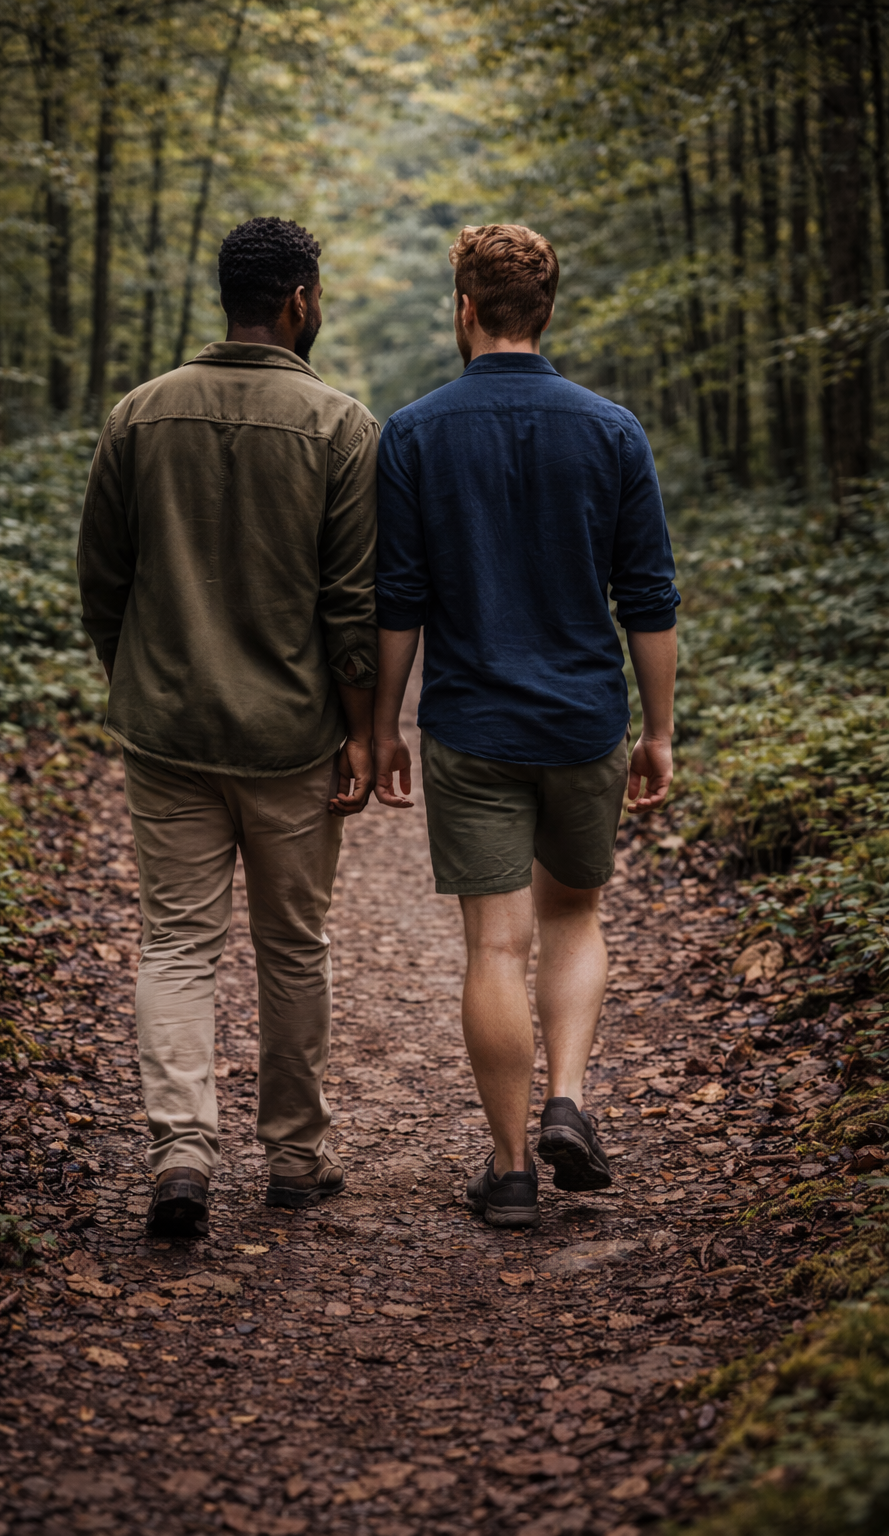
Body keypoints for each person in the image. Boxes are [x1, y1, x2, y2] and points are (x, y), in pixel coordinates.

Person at [373, 223, 678, 1228]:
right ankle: (568, 1102)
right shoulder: (612, 430)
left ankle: (509, 1173)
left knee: (495, 947)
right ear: (546, 311)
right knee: (573, 916)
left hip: (471, 725)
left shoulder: (413, 433)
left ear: (464, 308)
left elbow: (399, 600)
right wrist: (658, 731)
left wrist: (383, 725)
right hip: (585, 719)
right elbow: (648, 598)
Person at [77, 217, 378, 1235]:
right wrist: (361, 729)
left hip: (167, 732)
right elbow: (351, 607)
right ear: (299, 301)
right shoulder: (341, 425)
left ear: (228, 297)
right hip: (292, 736)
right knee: (292, 947)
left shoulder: (138, 413)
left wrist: (138, 678)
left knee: (175, 946)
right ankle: (294, 1158)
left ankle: (180, 1153)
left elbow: (102, 580)